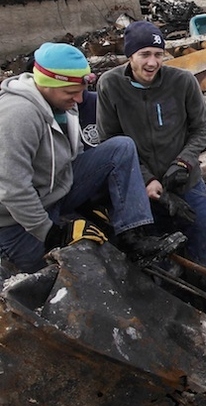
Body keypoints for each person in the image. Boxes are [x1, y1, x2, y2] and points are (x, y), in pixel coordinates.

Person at [0, 42, 185, 275]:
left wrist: (90, 202)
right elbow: (12, 189)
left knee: (121, 148)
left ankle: (133, 237)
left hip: (55, 192)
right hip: (14, 220)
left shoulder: (63, 103)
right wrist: (51, 233)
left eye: (81, 91)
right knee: (53, 283)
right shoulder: (17, 115)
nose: (79, 100)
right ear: (47, 84)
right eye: (71, 93)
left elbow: (74, 157)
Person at [97, 20, 206, 273]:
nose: (152, 63)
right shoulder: (110, 85)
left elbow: (202, 127)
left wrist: (184, 161)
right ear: (130, 55)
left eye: (158, 55)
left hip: (187, 184)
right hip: (144, 193)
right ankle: (173, 304)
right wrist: (146, 180)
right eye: (144, 54)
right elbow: (109, 140)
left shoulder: (183, 81)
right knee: (161, 261)